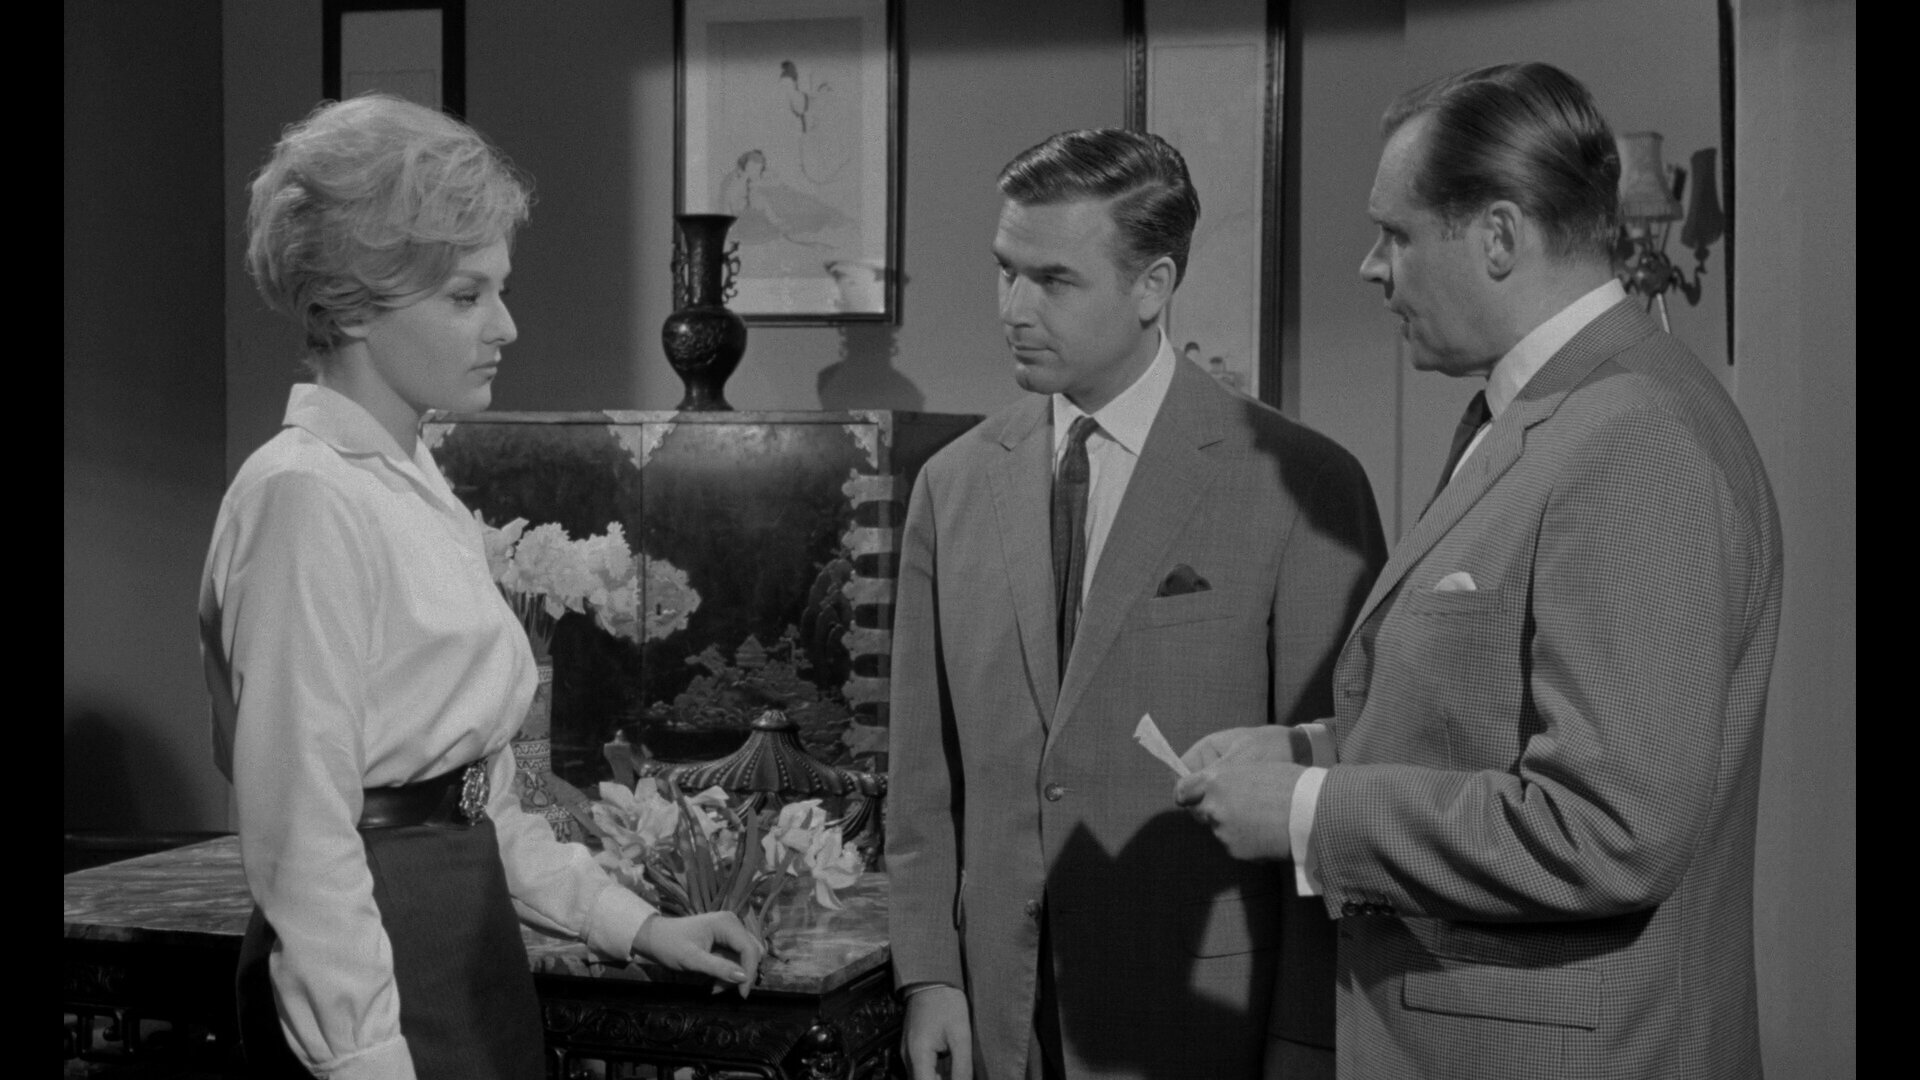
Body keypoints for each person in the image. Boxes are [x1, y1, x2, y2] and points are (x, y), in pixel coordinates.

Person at [1176, 63, 1783, 1079]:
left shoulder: (1635, 436)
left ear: (1499, 236)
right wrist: (1309, 749)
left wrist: (1309, 813)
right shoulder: (1540, 412)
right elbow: (1489, 710)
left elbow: (1611, 828)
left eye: (1397, 234)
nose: (1372, 268)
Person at [199, 94, 764, 1080]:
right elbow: (300, 831)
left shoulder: (411, 483)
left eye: (499, 289)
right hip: (372, 958)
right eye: (466, 296)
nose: (505, 325)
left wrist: (630, 922)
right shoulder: (305, 496)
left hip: (464, 940)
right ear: (355, 304)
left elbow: (478, 798)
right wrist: (363, 1059)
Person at [887, 128, 1385, 1080]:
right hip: (999, 1016)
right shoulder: (951, 486)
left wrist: (1308, 1041)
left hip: (1202, 1021)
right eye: (1005, 272)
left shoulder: (1303, 487)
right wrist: (931, 974)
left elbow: (1339, 791)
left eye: (1053, 281)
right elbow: (922, 776)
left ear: (1152, 286)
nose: (1014, 309)